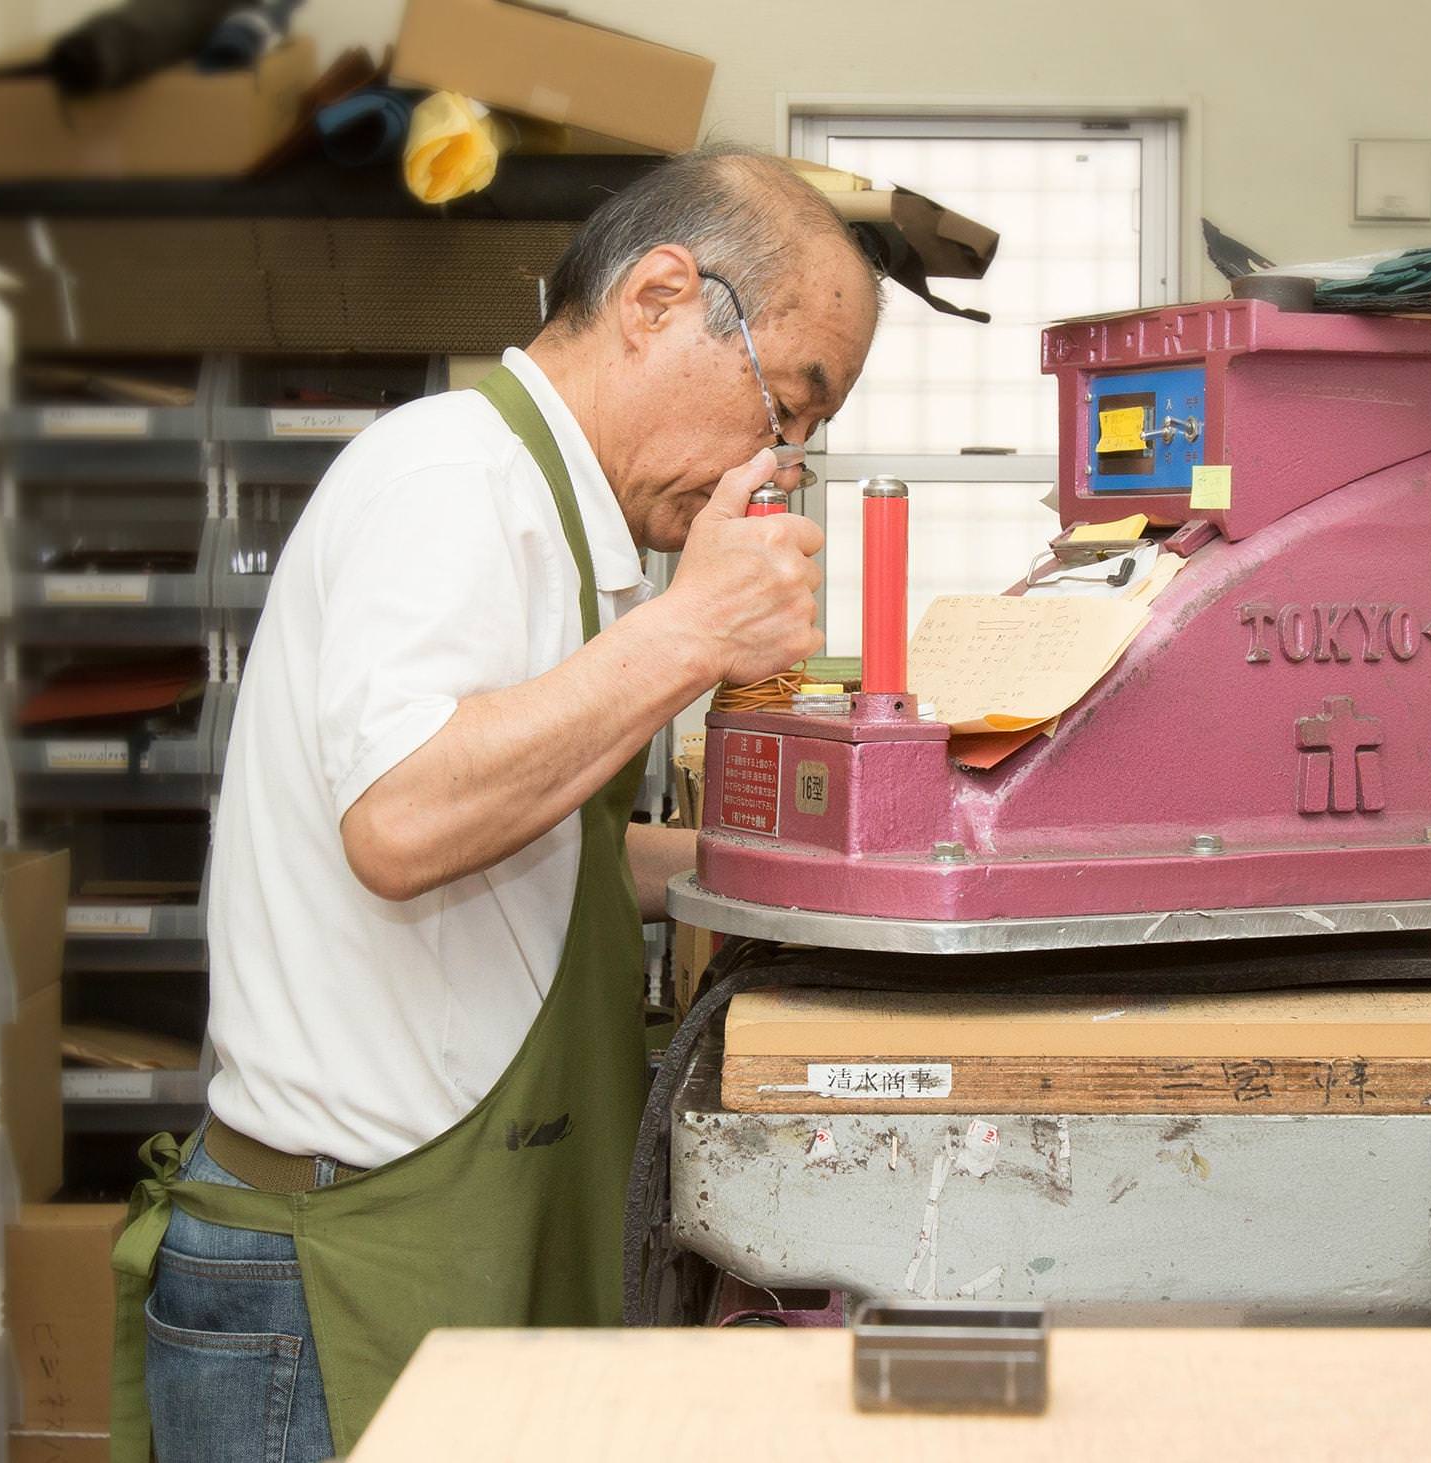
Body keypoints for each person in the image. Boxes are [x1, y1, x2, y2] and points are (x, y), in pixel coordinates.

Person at [110, 145, 882, 1463]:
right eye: (784, 406)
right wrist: (696, 633)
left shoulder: (553, 527)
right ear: (658, 299)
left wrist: (779, 864)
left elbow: (538, 847)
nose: (780, 456)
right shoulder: (451, 482)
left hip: (438, 1228)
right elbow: (406, 821)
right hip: (338, 1281)